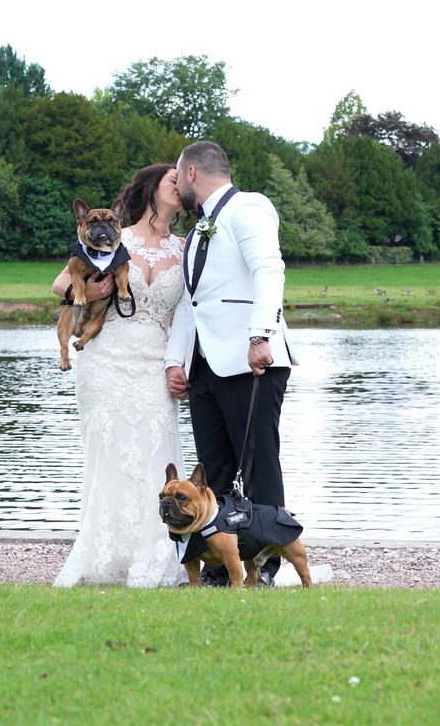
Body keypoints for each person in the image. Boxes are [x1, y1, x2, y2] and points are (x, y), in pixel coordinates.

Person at [164, 141, 297, 586]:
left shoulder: (249, 207)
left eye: (178, 175)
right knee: (213, 470)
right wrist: (175, 360)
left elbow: (269, 270)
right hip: (204, 367)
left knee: (259, 467)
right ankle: (224, 566)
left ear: (193, 173)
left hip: (250, 360)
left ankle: (268, 564)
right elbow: (191, 302)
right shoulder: (197, 231)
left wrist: (261, 335)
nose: (177, 184)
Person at [52, 164, 187, 588]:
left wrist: (183, 363)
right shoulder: (113, 235)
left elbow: (190, 314)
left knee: (155, 455)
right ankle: (104, 555)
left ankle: (157, 554)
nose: (181, 186)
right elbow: (60, 284)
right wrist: (87, 292)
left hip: (157, 364)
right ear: (151, 189)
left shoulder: (187, 248)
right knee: (109, 454)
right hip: (105, 359)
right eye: (173, 180)